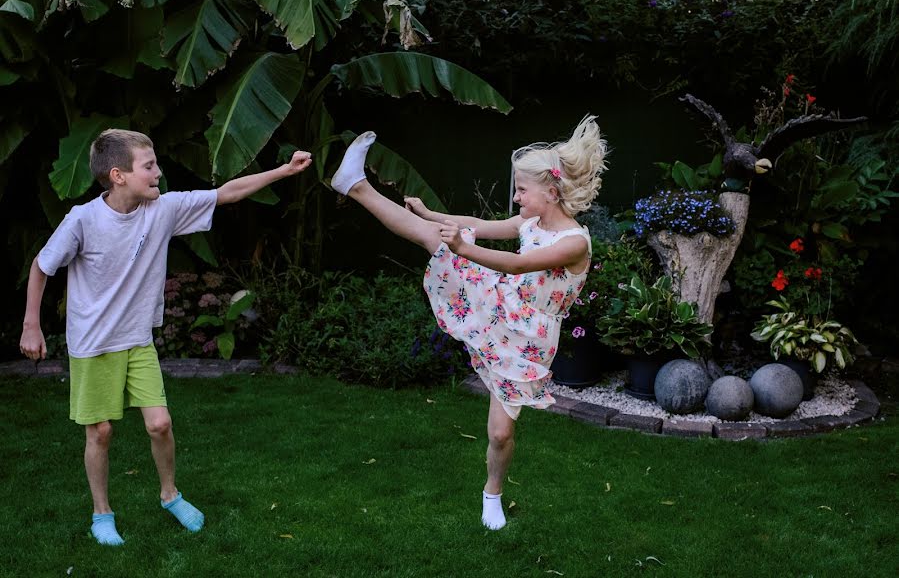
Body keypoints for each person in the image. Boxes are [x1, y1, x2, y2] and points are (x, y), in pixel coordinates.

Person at [19, 129, 312, 545]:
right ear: (118, 175)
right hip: (94, 343)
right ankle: (102, 514)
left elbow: (226, 193)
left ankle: (170, 495)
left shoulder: (163, 209)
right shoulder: (83, 220)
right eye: (149, 166)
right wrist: (32, 324)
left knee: (160, 424)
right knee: (99, 432)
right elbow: (42, 265)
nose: (159, 172)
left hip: (137, 339)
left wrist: (284, 171)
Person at [329, 116, 607, 530]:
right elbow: (476, 226)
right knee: (430, 236)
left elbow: (516, 264)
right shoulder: (530, 223)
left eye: (521, 190)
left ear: (551, 192)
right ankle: (355, 185)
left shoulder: (573, 242)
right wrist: (432, 214)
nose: (516, 198)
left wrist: (459, 244)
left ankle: (491, 492)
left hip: (527, 339)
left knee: (499, 433)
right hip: (497, 305)